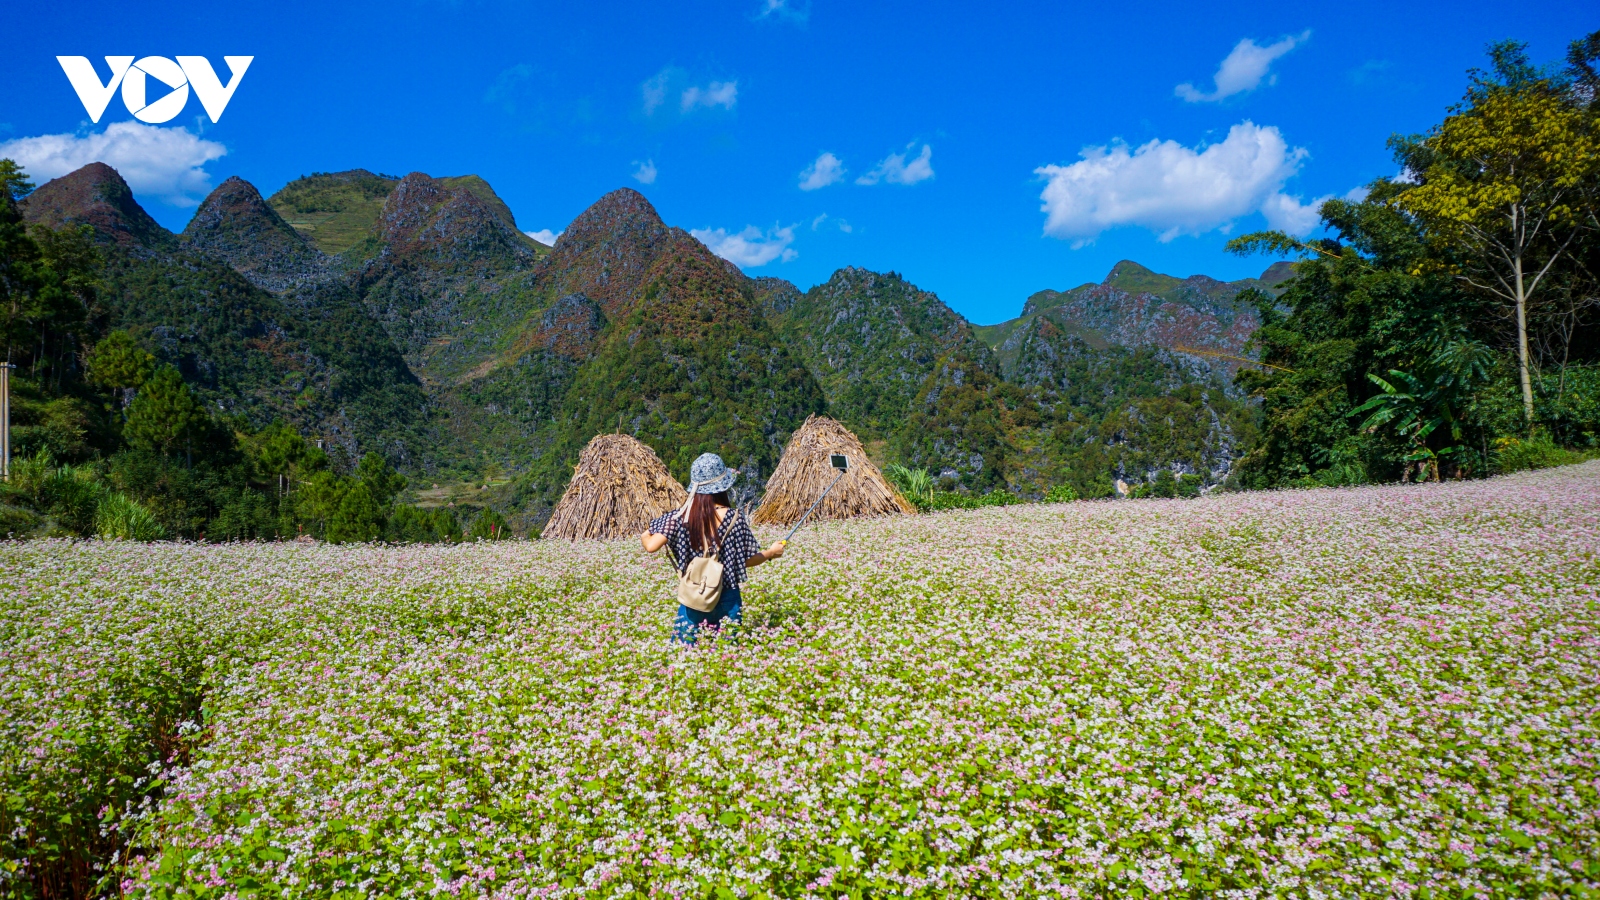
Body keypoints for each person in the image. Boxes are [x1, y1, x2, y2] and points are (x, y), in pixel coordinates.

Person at [642, 452, 786, 644]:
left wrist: (645, 534)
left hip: (694, 593)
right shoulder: (735, 518)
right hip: (728, 595)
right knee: (726, 653)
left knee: (683, 651)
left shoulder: (679, 517)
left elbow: (651, 546)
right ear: (722, 487)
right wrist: (770, 553)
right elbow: (747, 560)